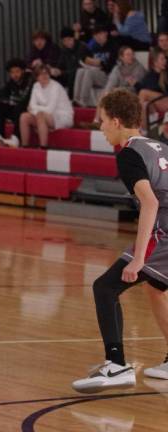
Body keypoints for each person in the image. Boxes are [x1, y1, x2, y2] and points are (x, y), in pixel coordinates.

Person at [72, 89, 168, 393]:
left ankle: (116, 365)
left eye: (102, 121)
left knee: (105, 286)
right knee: (157, 289)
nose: (100, 128)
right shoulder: (159, 146)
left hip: (164, 234)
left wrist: (139, 258)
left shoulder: (129, 154)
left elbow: (150, 204)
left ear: (116, 121)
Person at [20, 65, 74, 148]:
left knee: (40, 115)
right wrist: (34, 109)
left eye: (46, 73)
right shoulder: (36, 86)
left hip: (62, 116)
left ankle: (43, 147)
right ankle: (25, 146)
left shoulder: (55, 86)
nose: (44, 76)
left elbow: (50, 109)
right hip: (46, 116)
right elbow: (31, 105)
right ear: (37, 77)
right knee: (24, 117)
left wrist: (35, 108)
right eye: (41, 74)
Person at [91, 45, 146, 124]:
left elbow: (134, 87)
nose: (131, 56)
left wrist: (117, 90)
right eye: (128, 55)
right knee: (105, 94)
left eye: (132, 54)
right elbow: (111, 83)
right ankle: (96, 121)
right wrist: (109, 91)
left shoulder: (138, 68)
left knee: (114, 95)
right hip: (118, 92)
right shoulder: (117, 68)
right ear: (121, 57)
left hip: (132, 94)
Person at [0, 58, 33, 147]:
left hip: (28, 112)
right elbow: (1, 95)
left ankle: (15, 138)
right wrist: (9, 101)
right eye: (12, 72)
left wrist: (12, 101)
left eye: (17, 71)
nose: (15, 75)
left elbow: (26, 100)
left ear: (23, 71)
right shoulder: (11, 82)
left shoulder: (30, 81)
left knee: (20, 106)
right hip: (16, 111)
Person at [73, 26, 119, 107]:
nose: (97, 37)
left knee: (89, 73)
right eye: (95, 35)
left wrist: (100, 64)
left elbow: (113, 66)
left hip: (108, 76)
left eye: (99, 34)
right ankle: (76, 99)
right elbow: (84, 58)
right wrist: (88, 63)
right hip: (96, 72)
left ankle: (84, 101)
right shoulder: (93, 47)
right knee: (80, 71)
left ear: (105, 33)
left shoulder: (113, 46)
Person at [135, 48, 168, 130]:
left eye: (165, 58)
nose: (165, 61)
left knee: (143, 93)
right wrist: (135, 84)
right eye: (162, 59)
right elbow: (141, 88)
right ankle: (147, 129)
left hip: (166, 99)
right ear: (155, 62)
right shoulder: (149, 76)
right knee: (145, 103)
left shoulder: (166, 73)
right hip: (156, 102)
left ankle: (140, 127)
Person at [53, 27, 90, 96]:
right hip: (67, 74)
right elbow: (60, 65)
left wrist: (62, 72)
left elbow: (79, 67)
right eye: (64, 41)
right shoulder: (64, 51)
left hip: (80, 73)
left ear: (73, 38)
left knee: (74, 74)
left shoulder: (82, 48)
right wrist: (56, 70)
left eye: (69, 39)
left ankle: (72, 98)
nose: (67, 43)